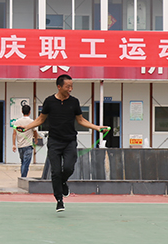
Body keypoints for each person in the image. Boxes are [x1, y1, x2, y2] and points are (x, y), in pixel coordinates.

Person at [19, 74, 108, 212]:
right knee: (55, 172)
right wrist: (26, 128)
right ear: (59, 87)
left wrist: (97, 128)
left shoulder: (74, 102)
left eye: (72, 86)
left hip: (69, 142)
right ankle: (59, 200)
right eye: (68, 86)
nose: (70, 89)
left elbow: (81, 120)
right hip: (54, 142)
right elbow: (40, 119)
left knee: (68, 168)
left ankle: (63, 182)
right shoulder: (49, 101)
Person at [12, 104, 39, 178]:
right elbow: (35, 132)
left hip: (20, 146)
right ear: (30, 112)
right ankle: (23, 178)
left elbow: (14, 133)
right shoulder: (32, 122)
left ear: (22, 111)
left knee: (23, 162)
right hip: (28, 145)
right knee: (26, 163)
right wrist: (36, 139)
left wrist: (14, 144)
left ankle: (22, 177)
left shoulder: (17, 122)